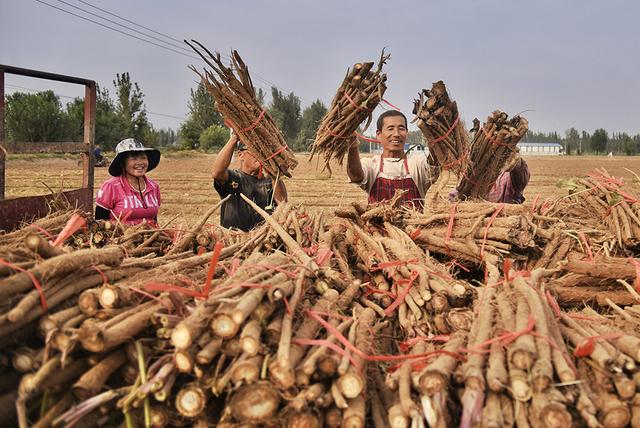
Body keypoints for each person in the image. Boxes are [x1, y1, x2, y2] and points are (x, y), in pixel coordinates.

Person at [346, 110, 439, 209]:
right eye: (390, 129)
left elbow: (434, 162)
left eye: (401, 128)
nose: (396, 134)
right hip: (376, 224)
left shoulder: (417, 163)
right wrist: (353, 144)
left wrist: (433, 134)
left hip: (413, 223)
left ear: (406, 133)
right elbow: (356, 176)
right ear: (379, 134)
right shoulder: (371, 164)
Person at [211, 132, 287, 231]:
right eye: (254, 151)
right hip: (234, 240)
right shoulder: (234, 178)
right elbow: (217, 173)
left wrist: (274, 172)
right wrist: (235, 138)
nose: (259, 155)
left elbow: (283, 203)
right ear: (240, 155)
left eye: (261, 152)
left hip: (263, 241)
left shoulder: (270, 181)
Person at [95, 138, 161, 225]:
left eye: (143, 158)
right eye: (134, 158)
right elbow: (100, 222)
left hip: (150, 236)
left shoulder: (153, 187)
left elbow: (154, 219)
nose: (140, 162)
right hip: (120, 237)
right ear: (123, 163)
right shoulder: (111, 186)